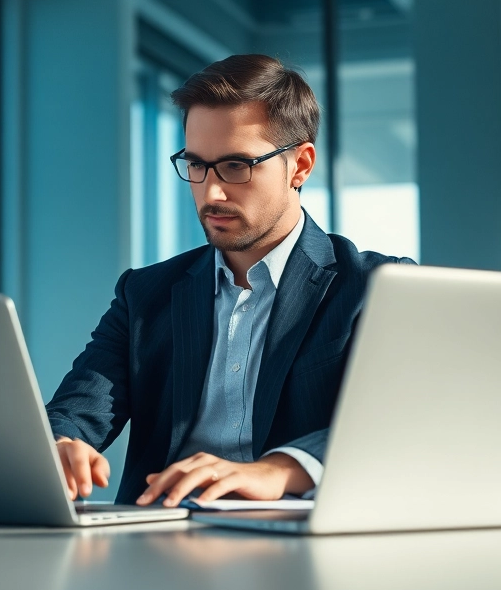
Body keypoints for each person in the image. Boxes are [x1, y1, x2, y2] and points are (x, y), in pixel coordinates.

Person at [46, 54, 415, 508]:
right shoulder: (144, 295)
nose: (211, 192)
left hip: (299, 537)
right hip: (156, 532)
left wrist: (280, 469)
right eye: (196, 165)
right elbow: (75, 411)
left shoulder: (376, 288)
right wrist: (60, 445)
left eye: (237, 166)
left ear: (300, 166)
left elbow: (408, 416)